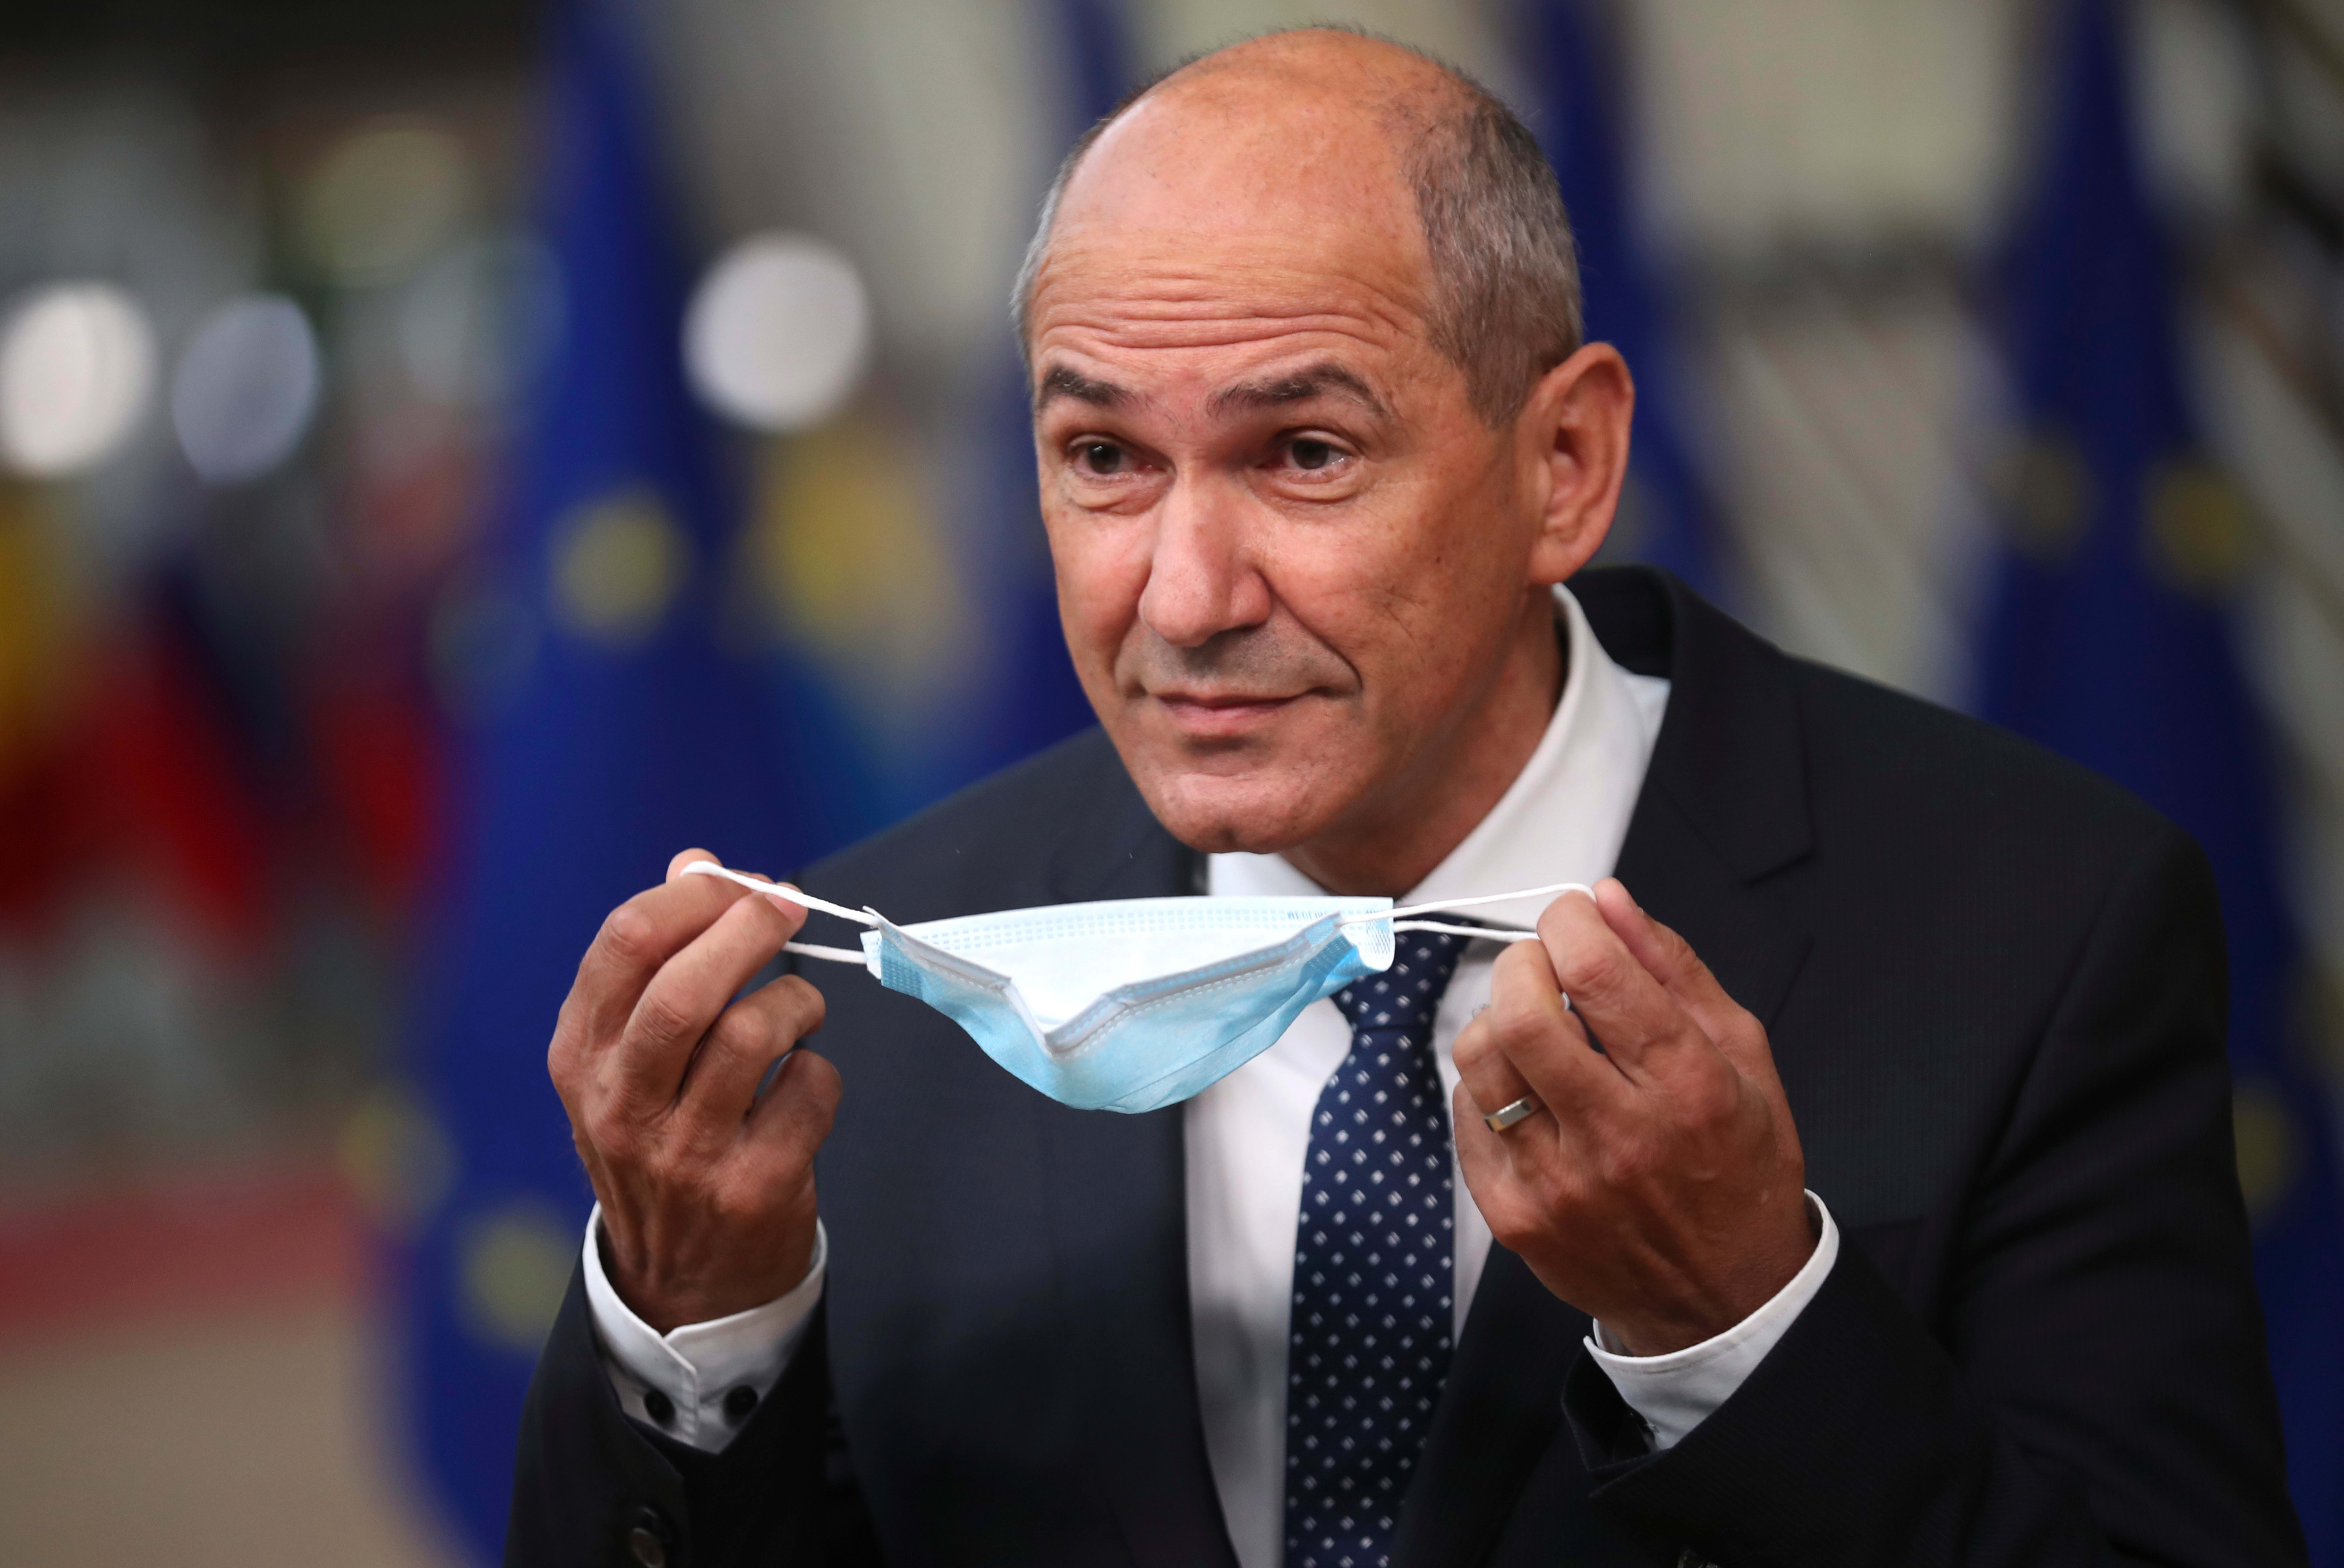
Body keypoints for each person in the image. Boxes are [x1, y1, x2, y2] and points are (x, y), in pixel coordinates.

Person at [507, 28, 2302, 1568]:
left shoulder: (2041, 921)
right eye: (1103, 457)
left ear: (1565, 463)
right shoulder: (888, 989)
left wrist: (1748, 1330)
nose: (1184, 595)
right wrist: (697, 1330)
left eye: (1305, 453)